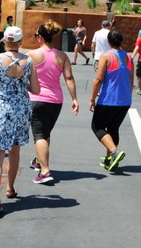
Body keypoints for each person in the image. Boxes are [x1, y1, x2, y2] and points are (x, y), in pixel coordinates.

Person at [0, 26, 40, 217]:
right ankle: (10, 187)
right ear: (20, 42)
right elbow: (36, 89)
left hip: (0, 108)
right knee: (15, 150)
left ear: (4, 40)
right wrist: (21, 84)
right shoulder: (28, 61)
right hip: (20, 109)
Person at [27, 20, 79, 184]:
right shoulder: (62, 56)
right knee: (46, 132)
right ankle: (39, 161)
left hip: (36, 99)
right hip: (56, 101)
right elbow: (69, 78)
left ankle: (45, 171)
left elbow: (19, 75)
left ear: (40, 37)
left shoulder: (32, 55)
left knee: (39, 135)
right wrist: (74, 99)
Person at [90, 29, 133, 172]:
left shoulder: (106, 56)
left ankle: (114, 152)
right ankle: (109, 159)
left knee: (97, 127)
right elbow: (131, 80)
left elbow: (98, 79)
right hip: (125, 101)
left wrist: (92, 99)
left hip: (109, 100)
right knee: (113, 128)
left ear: (108, 41)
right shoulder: (129, 57)